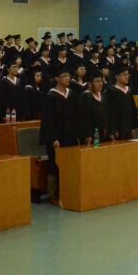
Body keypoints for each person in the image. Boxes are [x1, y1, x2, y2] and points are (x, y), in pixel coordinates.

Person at [39, 67, 77, 202]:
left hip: (70, 136)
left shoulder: (71, 93)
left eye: (69, 76)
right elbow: (47, 120)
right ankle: (52, 194)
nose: (67, 78)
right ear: (56, 78)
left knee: (69, 164)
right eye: (64, 76)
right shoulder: (51, 96)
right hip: (56, 138)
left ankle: (67, 192)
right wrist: (53, 138)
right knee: (54, 165)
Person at [76, 69, 109, 144]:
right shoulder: (84, 97)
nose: (100, 83)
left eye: (101, 81)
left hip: (105, 133)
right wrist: (87, 134)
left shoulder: (103, 96)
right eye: (97, 81)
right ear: (89, 83)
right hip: (91, 135)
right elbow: (83, 119)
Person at [107, 65, 138, 139]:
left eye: (127, 74)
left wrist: (133, 127)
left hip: (129, 129)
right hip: (118, 130)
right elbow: (110, 112)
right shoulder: (111, 91)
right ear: (117, 76)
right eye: (124, 74)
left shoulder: (129, 90)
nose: (127, 77)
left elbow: (133, 110)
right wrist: (113, 130)